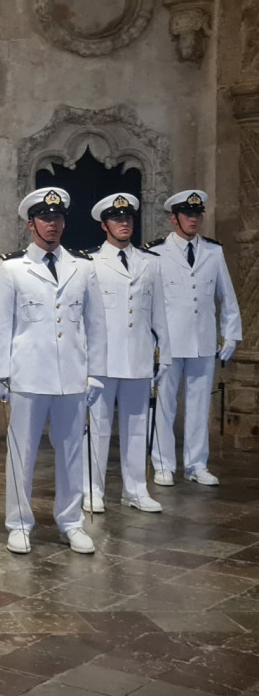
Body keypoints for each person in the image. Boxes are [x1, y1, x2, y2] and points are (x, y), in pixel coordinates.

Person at [0, 188, 107, 554]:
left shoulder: (83, 267)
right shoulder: (12, 269)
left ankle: (71, 522)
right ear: (31, 224)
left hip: (71, 376)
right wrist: (0, 374)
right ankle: (19, 523)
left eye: (57, 218)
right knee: (22, 452)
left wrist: (96, 373)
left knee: (72, 452)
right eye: (44, 218)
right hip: (28, 376)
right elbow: (0, 324)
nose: (52, 224)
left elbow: (96, 324)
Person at [144, 190, 243, 486]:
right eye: (188, 215)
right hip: (169, 342)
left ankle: (197, 464)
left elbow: (227, 295)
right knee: (165, 404)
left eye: (197, 215)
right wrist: (151, 342)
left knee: (200, 404)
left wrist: (231, 333)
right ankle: (163, 464)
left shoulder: (213, 252)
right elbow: (148, 302)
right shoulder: (156, 252)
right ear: (174, 219)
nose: (193, 220)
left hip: (202, 340)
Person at [83, 194, 170, 514]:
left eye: (128, 219)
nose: (124, 224)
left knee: (137, 426)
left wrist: (166, 355)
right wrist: (84, 363)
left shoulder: (151, 262)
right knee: (98, 427)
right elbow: (84, 316)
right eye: (117, 220)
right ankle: (92, 488)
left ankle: (136, 489)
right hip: (102, 359)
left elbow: (159, 313)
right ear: (104, 224)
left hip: (138, 356)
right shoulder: (89, 262)